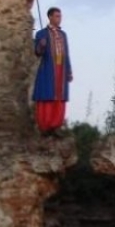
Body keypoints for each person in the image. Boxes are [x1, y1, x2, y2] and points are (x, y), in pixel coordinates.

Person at [32, 7, 73, 135]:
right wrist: (41, 45)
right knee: (47, 96)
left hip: (61, 69)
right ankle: (45, 126)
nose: (59, 19)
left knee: (60, 97)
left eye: (60, 16)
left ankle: (56, 126)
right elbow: (38, 53)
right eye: (56, 16)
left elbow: (66, 54)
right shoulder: (41, 34)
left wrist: (69, 70)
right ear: (50, 17)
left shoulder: (63, 35)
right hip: (48, 69)